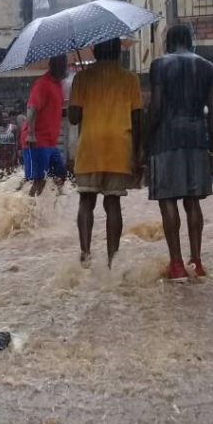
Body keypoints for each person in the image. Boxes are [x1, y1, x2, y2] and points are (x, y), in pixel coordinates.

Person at [148, 24, 213, 280]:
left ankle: (176, 264)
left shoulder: (160, 65)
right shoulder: (207, 67)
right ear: (190, 40)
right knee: (193, 200)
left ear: (169, 42)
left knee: (168, 200)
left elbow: (156, 107)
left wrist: (146, 140)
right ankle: (196, 261)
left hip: (166, 138)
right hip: (197, 138)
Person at [68, 38, 143, 267]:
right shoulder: (131, 79)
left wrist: (82, 89)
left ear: (96, 51)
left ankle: (86, 254)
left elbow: (73, 118)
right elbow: (138, 118)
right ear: (119, 52)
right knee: (113, 204)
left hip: (90, 145)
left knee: (86, 201)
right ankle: (112, 260)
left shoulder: (81, 78)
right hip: (120, 146)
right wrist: (139, 153)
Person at [26, 55, 68, 196]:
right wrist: (31, 134)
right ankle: (28, 213)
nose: (65, 67)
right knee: (39, 180)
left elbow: (56, 110)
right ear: (53, 65)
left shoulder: (58, 85)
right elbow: (32, 109)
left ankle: (51, 209)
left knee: (60, 175)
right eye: (62, 64)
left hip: (50, 142)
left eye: (65, 64)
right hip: (38, 140)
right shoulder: (42, 84)